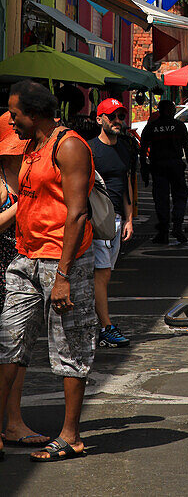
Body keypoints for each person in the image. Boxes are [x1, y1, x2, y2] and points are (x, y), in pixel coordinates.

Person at [0, 80, 97, 462]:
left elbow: (77, 212)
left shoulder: (68, 145)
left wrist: (63, 276)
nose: (11, 120)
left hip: (63, 260)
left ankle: (70, 435)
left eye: (15, 113)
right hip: (26, 258)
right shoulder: (29, 147)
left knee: (70, 348)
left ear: (36, 113)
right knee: (8, 340)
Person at [0, 111, 48, 449]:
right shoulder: (1, 181)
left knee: (17, 352)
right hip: (2, 273)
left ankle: (13, 421)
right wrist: (24, 204)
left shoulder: (34, 171)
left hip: (23, 272)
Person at [90, 98, 135, 348]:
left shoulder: (124, 148)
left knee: (103, 275)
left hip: (118, 220)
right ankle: (106, 327)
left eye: (121, 116)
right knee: (101, 275)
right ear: (100, 119)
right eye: (112, 116)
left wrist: (129, 218)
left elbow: (126, 183)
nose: (118, 121)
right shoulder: (90, 149)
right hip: (97, 222)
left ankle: (97, 325)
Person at [139, 99, 188, 245]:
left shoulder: (152, 127)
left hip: (158, 166)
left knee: (161, 199)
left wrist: (144, 170)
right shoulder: (179, 126)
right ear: (171, 111)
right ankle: (177, 226)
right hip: (175, 165)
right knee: (180, 196)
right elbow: (187, 150)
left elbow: (143, 151)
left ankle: (163, 232)